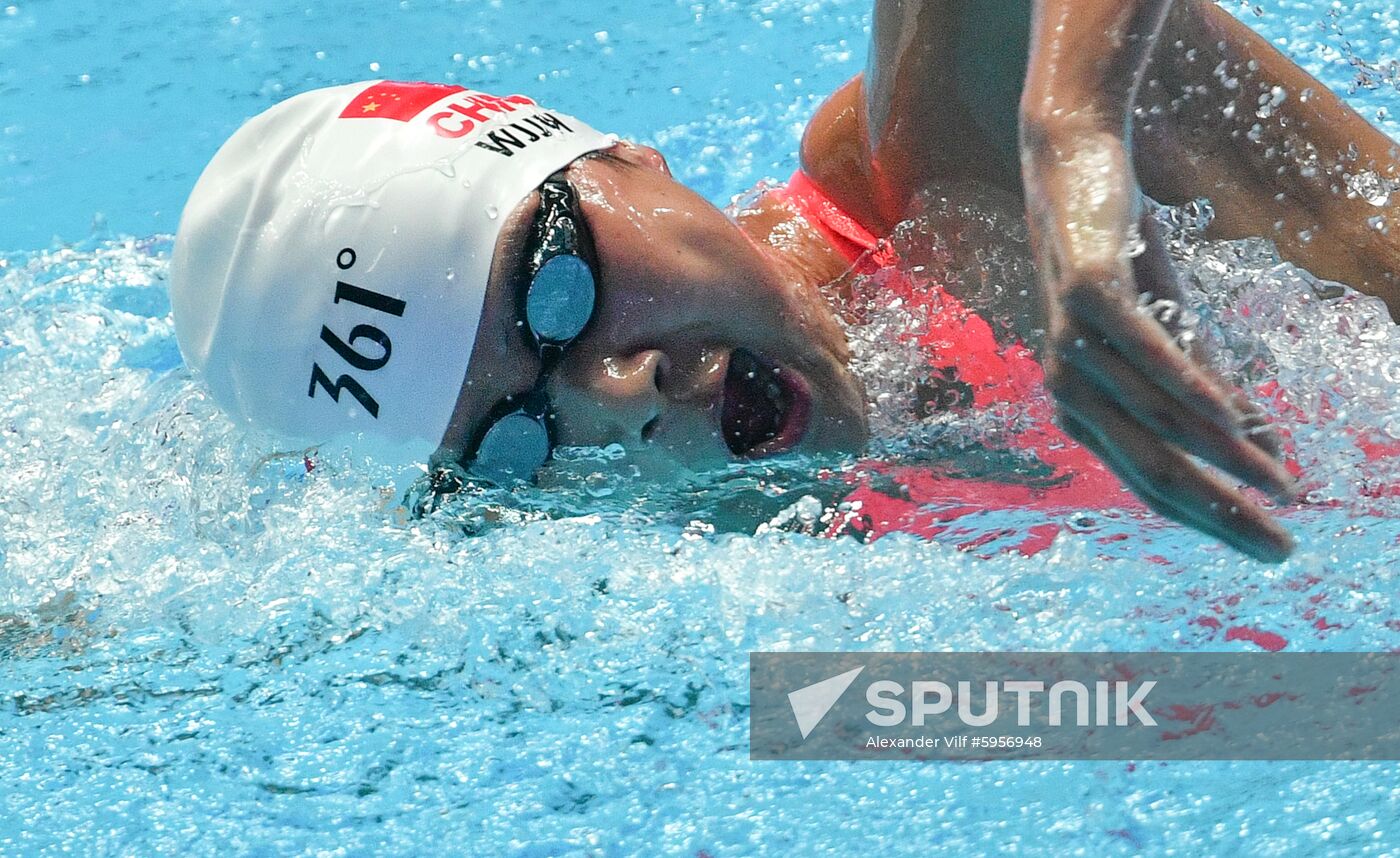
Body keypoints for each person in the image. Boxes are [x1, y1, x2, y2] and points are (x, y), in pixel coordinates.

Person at [169, 0, 1400, 563]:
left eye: (555, 288)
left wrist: (1071, 129)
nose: (620, 392)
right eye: (519, 437)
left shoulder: (938, 173)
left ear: (623, 157)